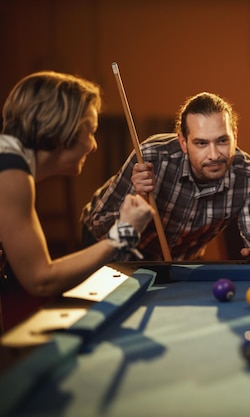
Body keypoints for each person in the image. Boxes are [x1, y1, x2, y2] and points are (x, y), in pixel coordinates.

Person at [0, 71, 154, 332]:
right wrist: (124, 233)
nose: (93, 145)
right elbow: (41, 280)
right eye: (90, 131)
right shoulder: (10, 172)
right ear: (62, 129)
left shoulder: (10, 162)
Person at [81, 92, 250, 262]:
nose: (214, 155)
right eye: (201, 143)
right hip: (117, 248)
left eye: (222, 141)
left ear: (235, 136)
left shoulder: (248, 175)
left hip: (182, 258)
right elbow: (100, 225)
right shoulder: (151, 157)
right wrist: (139, 196)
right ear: (183, 143)